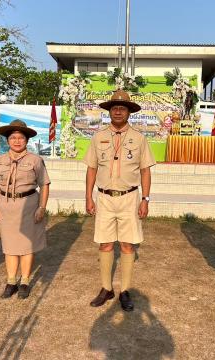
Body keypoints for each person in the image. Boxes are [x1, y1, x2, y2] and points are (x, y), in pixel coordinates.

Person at [84, 90, 156, 312]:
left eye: (122, 108)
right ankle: (106, 288)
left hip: (129, 198)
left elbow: (145, 171)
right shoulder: (98, 137)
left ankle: (124, 290)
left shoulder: (139, 138)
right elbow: (92, 168)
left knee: (127, 245)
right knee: (105, 244)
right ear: (109, 111)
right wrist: (88, 196)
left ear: (129, 112)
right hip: (105, 197)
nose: (117, 111)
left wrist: (145, 199)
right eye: (114, 107)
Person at [0, 119, 50, 299]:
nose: (17, 141)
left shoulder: (35, 160)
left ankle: (24, 281)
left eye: (21, 137)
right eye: (13, 137)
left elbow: (44, 184)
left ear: (26, 140)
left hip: (29, 205)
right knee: (9, 246)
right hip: (7, 206)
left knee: (26, 246)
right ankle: (10, 281)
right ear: (7, 140)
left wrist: (42, 207)